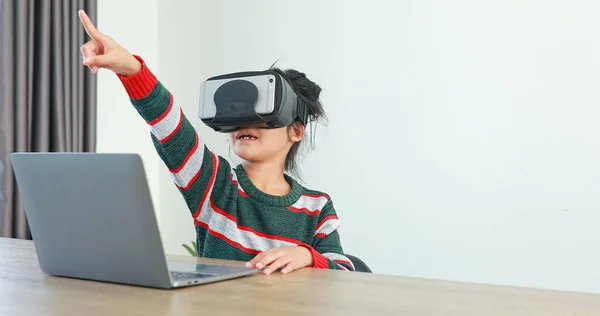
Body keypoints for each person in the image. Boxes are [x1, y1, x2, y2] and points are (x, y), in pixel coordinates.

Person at [78, 10, 354, 274]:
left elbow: (344, 274)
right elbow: (170, 127)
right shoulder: (215, 185)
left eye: (260, 114)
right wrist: (131, 69)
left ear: (295, 131)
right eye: (237, 113)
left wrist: (306, 255)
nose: (244, 124)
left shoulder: (317, 207)